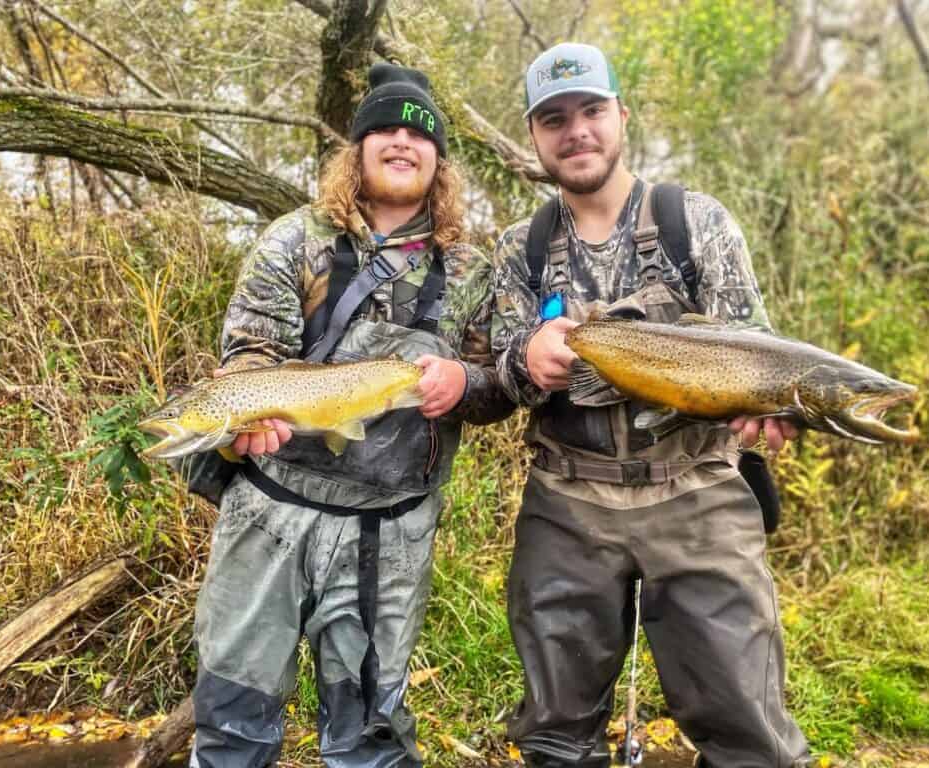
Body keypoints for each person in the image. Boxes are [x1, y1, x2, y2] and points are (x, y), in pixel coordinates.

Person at [489, 43, 811, 768]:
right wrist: (524, 361)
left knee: (748, 731)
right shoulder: (521, 249)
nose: (576, 131)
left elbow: (754, 349)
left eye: (592, 111)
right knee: (554, 734)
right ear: (535, 134)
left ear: (622, 117)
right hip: (566, 504)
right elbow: (493, 377)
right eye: (554, 118)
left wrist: (764, 406)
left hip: (698, 494)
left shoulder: (693, 222)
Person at [190, 62, 512, 768]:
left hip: (388, 532)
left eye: (419, 134)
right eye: (386, 130)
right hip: (271, 515)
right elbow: (249, 350)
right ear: (357, 149)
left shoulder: (470, 270)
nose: (403, 142)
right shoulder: (291, 241)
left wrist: (465, 382)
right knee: (231, 724)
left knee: (370, 738)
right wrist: (250, 411)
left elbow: (501, 386)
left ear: (439, 160)